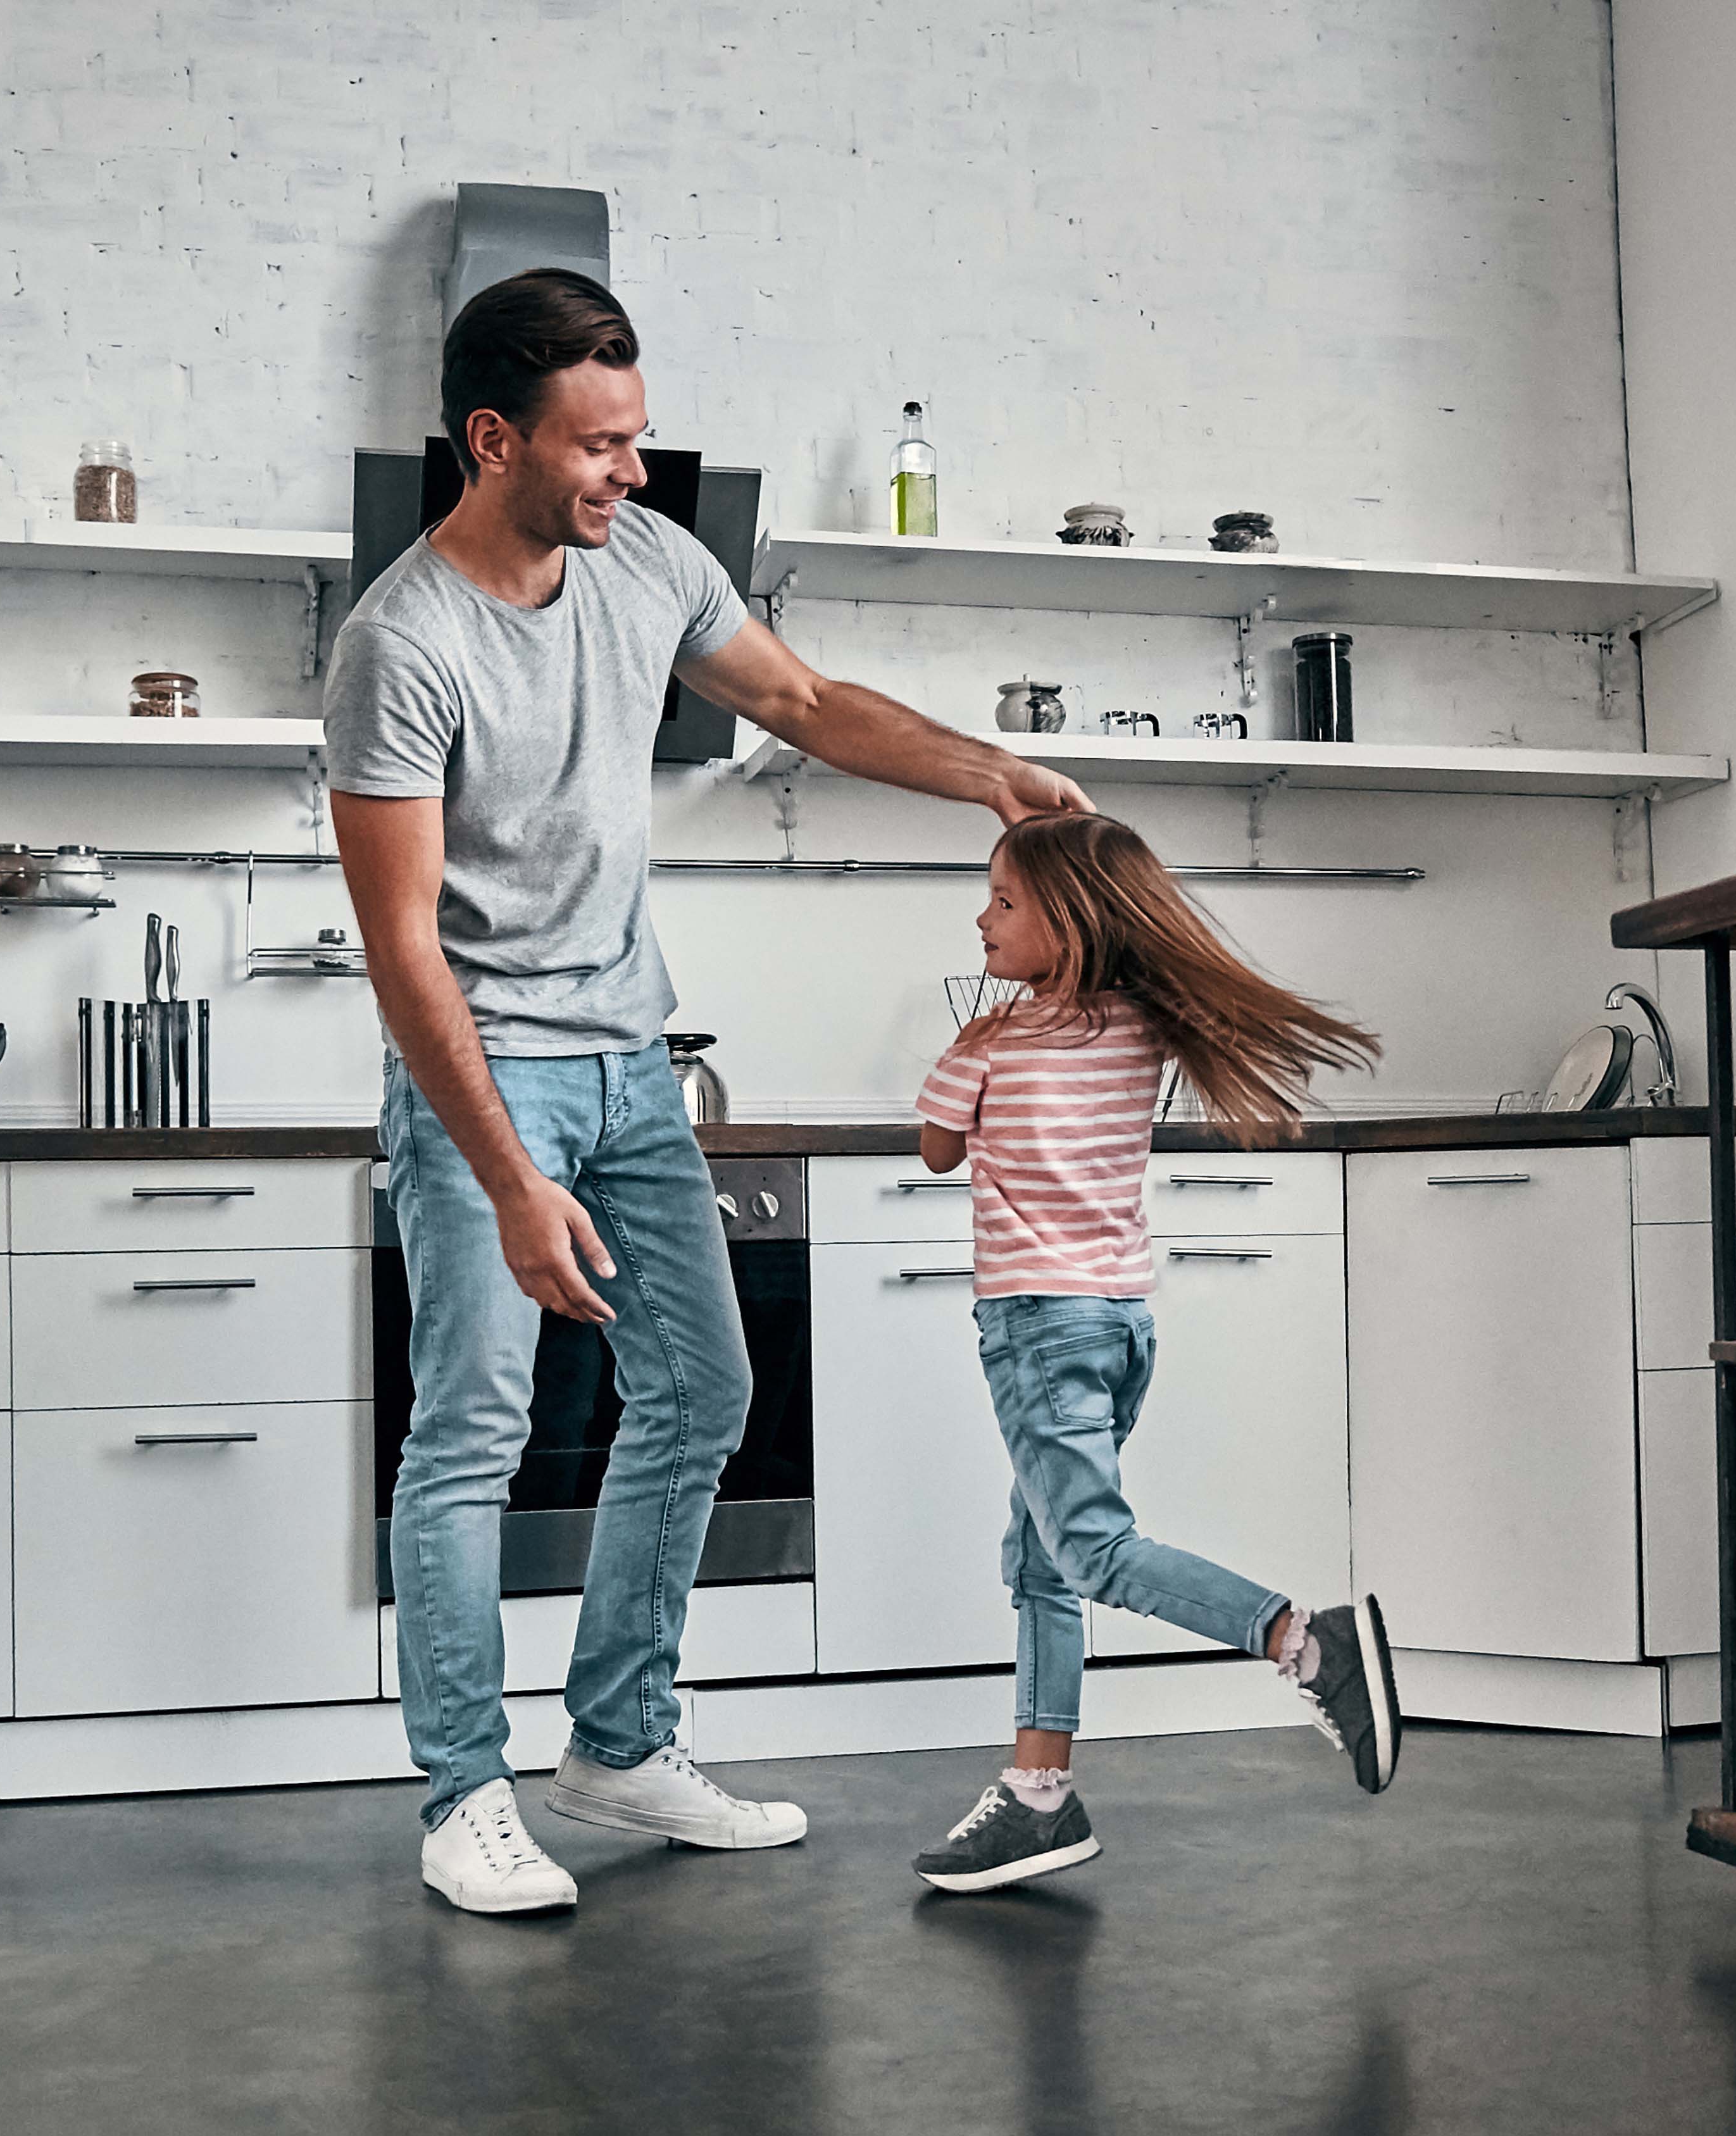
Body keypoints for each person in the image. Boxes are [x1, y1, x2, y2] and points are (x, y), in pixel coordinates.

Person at [327, 268, 1091, 1916]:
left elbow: (804, 705)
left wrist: (993, 774)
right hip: (488, 1081)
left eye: (639, 442)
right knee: (471, 1430)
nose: (628, 474)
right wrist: (512, 1180)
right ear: (492, 439)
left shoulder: (655, 561)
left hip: (631, 1066)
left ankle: (618, 1744)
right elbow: (404, 954)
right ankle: (465, 1794)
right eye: (598, 448)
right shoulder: (401, 642)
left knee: (702, 1389)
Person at [906, 811, 1403, 1895]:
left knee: (1089, 1551)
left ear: (1068, 921)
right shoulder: (1143, 1027)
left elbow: (938, 1149)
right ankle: (1040, 1798)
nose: (981, 918)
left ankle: (1301, 1639)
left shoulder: (993, 1041)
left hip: (1036, 1324)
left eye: (1002, 901)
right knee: (1039, 1557)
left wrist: (968, 1049)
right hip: (1122, 1323)